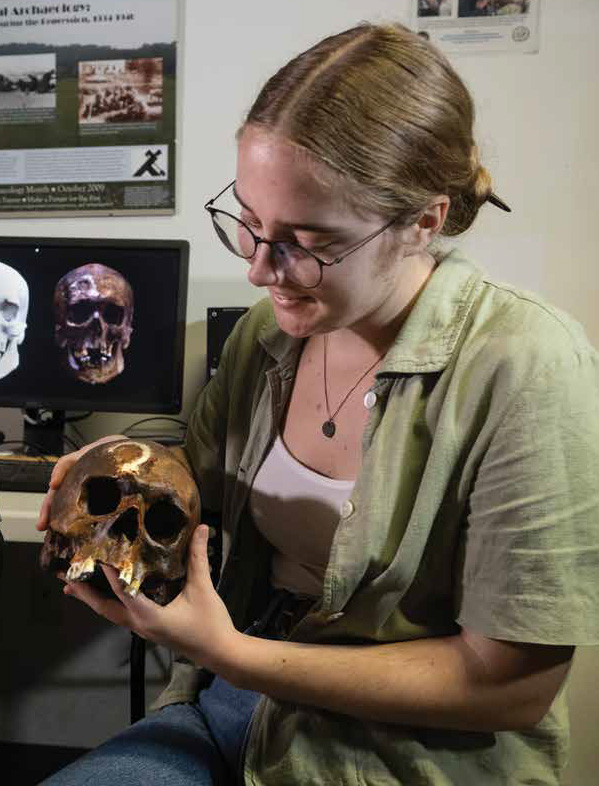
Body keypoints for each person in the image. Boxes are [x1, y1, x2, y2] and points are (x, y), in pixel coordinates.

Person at [38, 22, 599, 786]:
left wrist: (229, 651)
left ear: (422, 222)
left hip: (405, 754)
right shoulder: (268, 337)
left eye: (306, 241)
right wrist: (114, 474)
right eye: (249, 223)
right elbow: (189, 487)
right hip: (229, 707)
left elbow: (512, 684)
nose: (260, 270)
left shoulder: (526, 365)